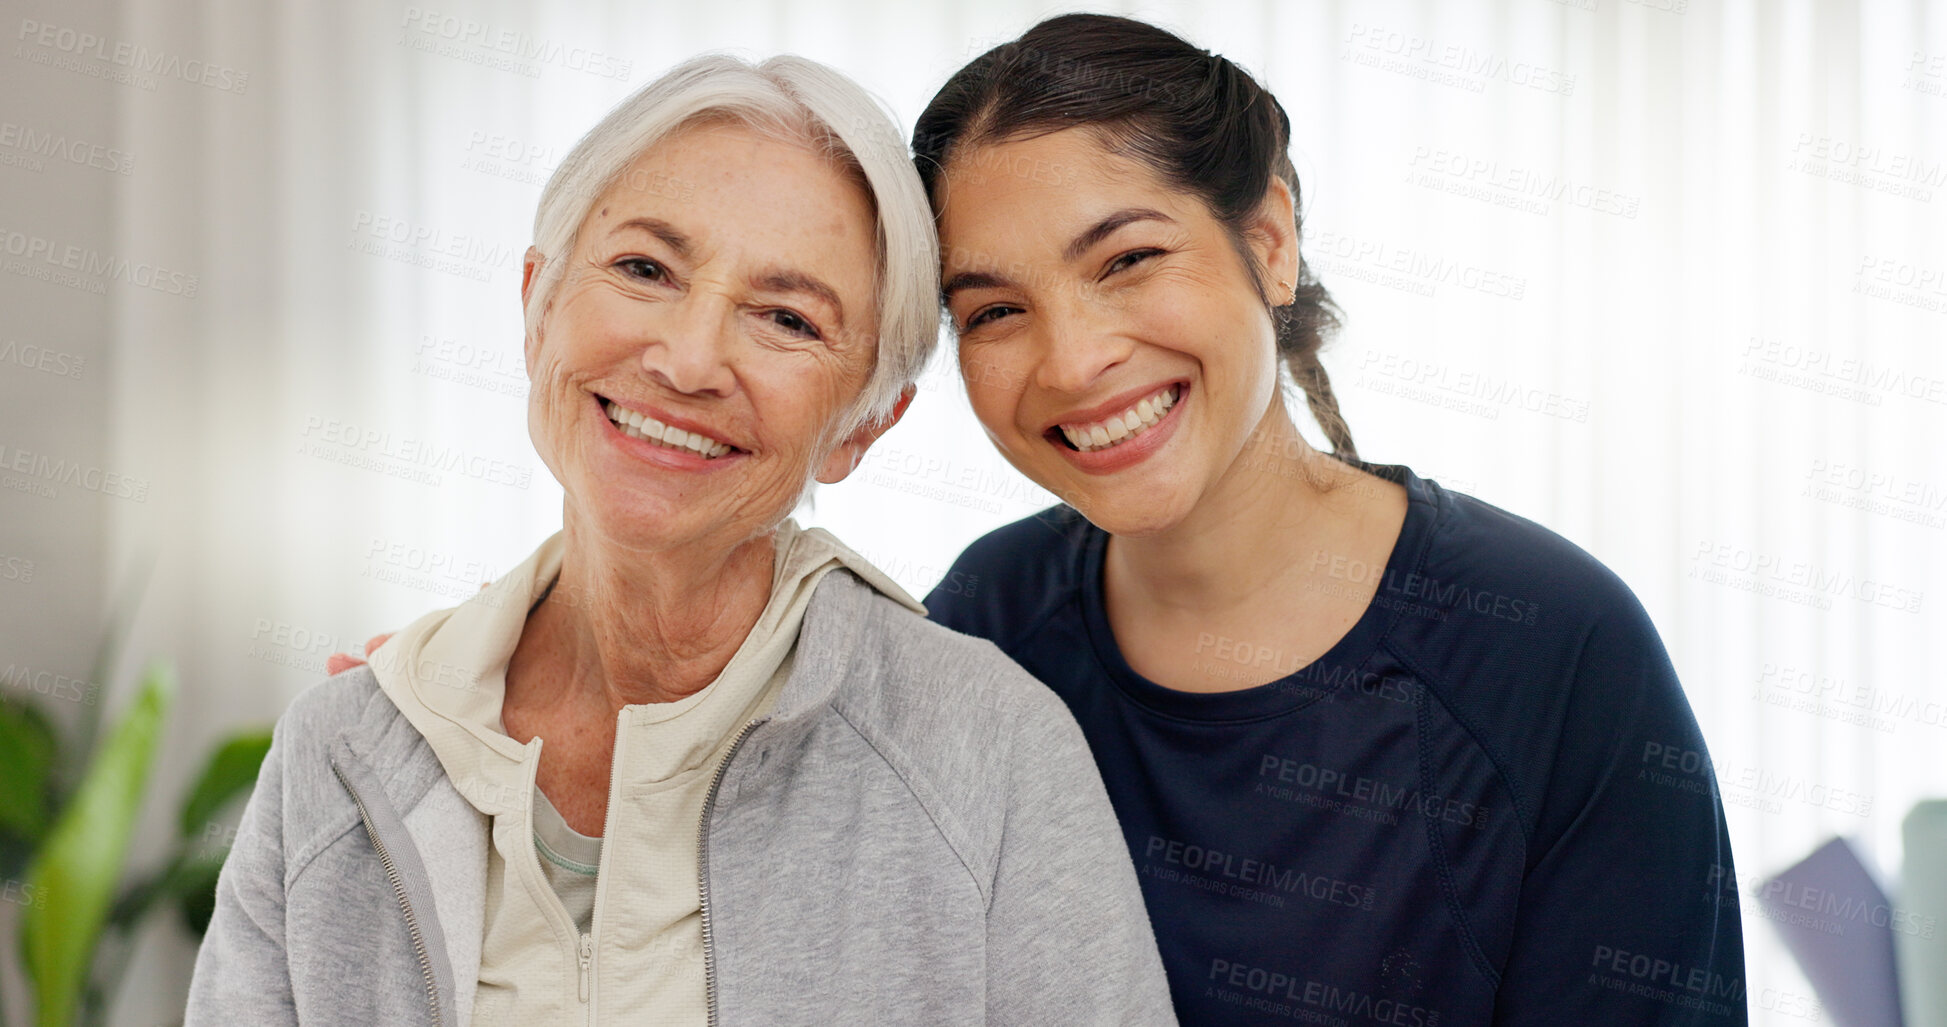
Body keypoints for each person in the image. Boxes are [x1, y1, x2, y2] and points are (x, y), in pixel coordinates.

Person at [187, 52, 1175, 1026]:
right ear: (537, 309)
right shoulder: (340, 751)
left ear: (864, 426)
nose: (691, 359)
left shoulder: (991, 754)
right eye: (645, 268)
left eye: (787, 318)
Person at [912, 14, 1745, 1025]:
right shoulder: (983, 624)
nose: (1072, 361)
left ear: (1268, 241)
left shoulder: (1553, 645)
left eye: (1127, 259)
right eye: (995, 311)